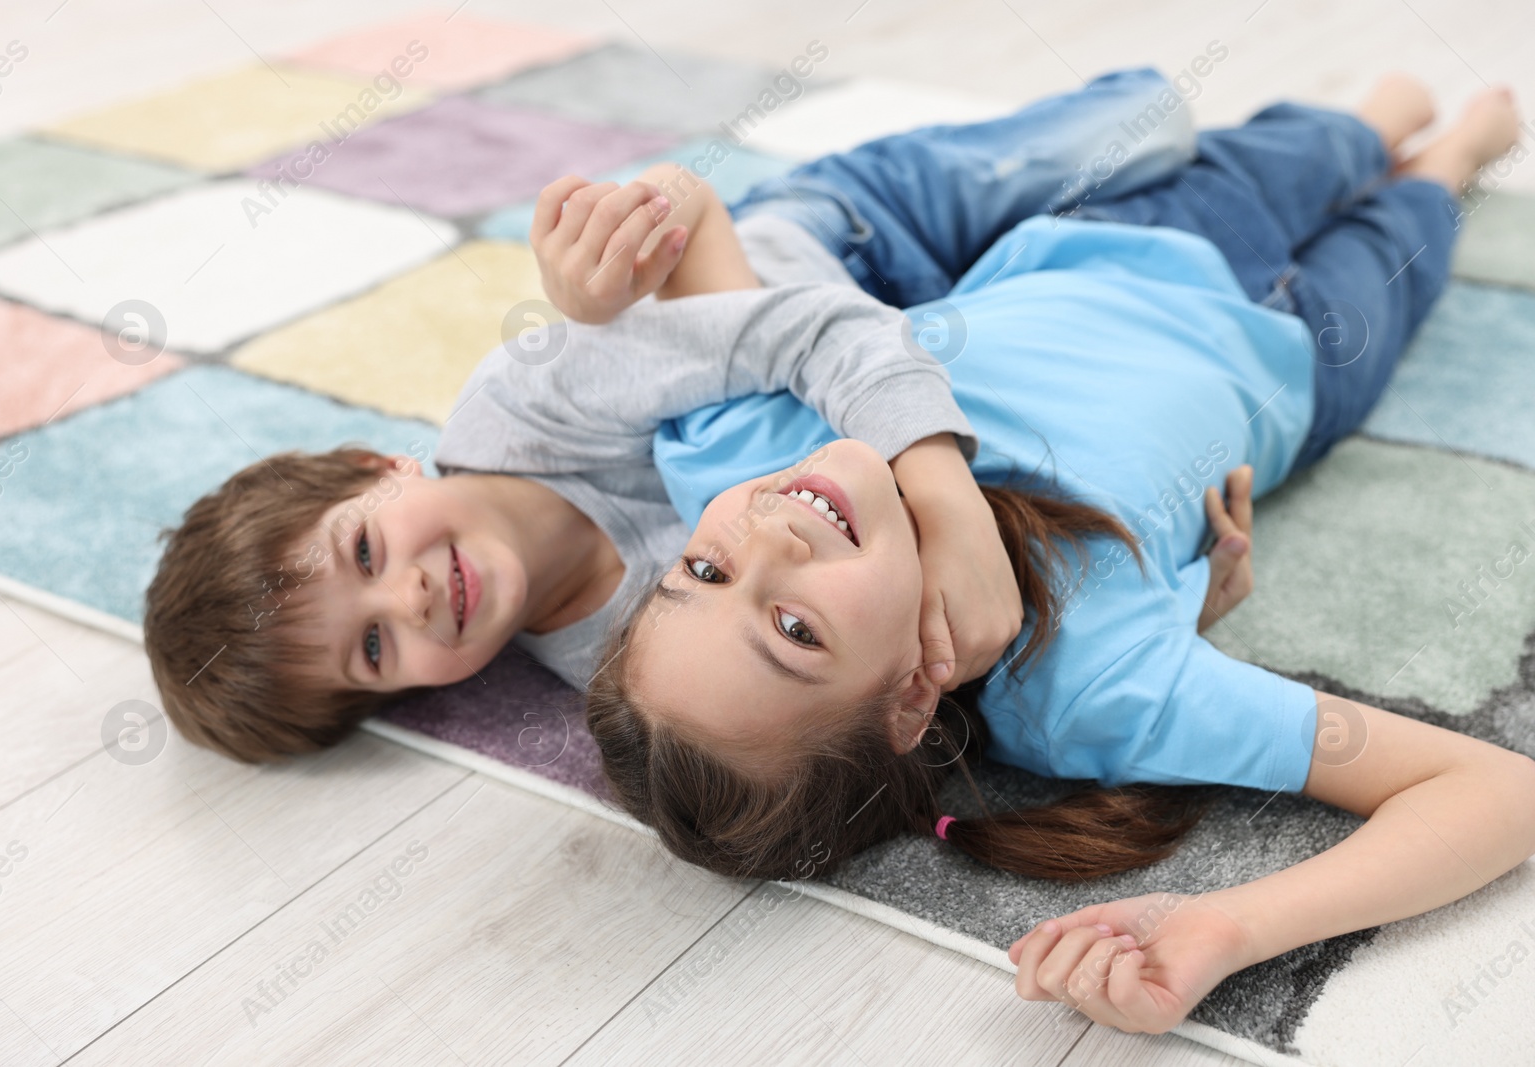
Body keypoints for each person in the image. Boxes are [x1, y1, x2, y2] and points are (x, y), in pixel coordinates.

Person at [528, 77, 1535, 1035]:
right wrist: (1237, 925)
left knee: (1330, 135)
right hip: (1297, 347)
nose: (764, 544)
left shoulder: (747, 464)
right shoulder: (1093, 689)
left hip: (1104, 243)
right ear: (908, 701)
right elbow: (1498, 791)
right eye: (793, 628)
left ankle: (1380, 119)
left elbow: (690, 207)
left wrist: (603, 266)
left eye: (699, 575)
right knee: (1410, 215)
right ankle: (1453, 153)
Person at [141, 69, 1199, 761]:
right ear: (402, 698)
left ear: (382, 465)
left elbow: (807, 324)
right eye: (373, 647)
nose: (409, 595)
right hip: (959, 357)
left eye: (365, 548)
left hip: (844, 247)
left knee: (1140, 130)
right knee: (1181, 254)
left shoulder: (529, 402)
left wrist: (947, 499)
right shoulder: (623, 670)